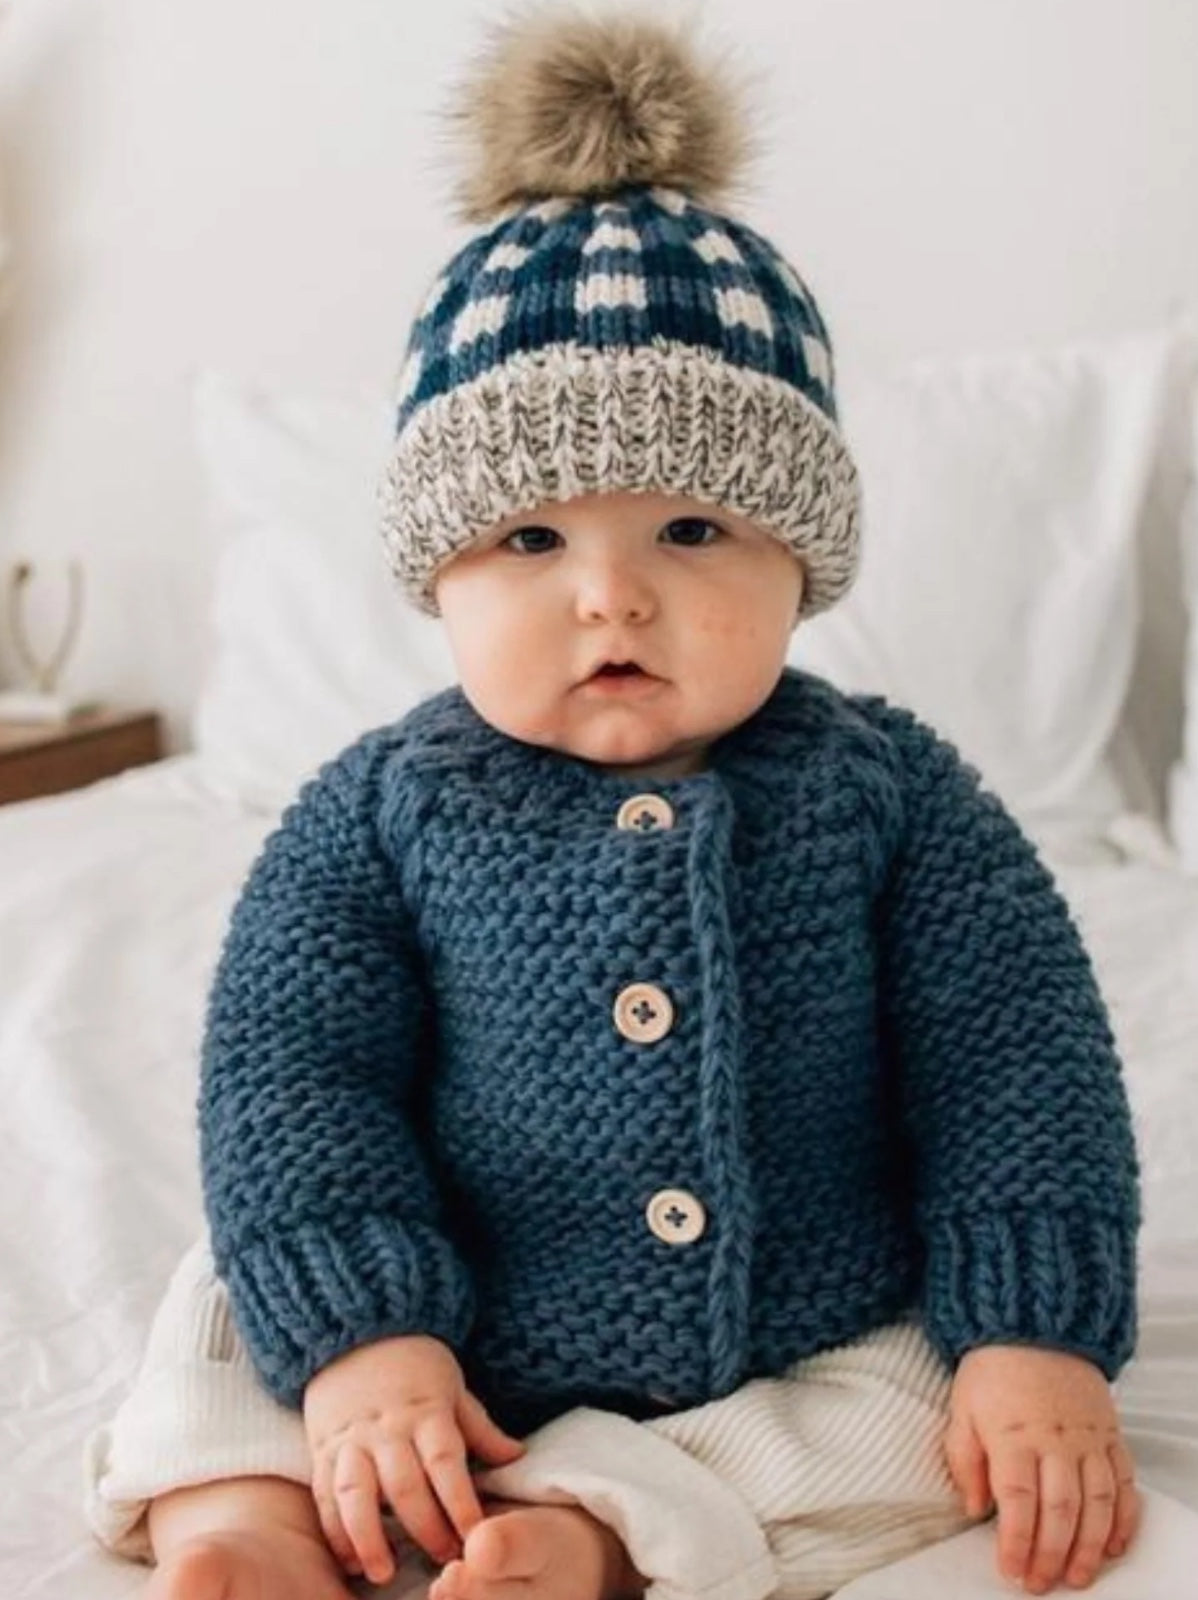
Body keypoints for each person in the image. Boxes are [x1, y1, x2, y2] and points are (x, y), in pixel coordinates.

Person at [83, 7, 1143, 1600]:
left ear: (804, 562)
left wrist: (1028, 1331)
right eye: (530, 544)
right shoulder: (380, 812)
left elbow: (1018, 1059)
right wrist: (367, 1329)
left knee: (921, 1418)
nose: (612, 600)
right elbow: (291, 1076)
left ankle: (586, 1524)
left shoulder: (893, 795)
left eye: (692, 532)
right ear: (435, 578)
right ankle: (245, 1516)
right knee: (228, 1287)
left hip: (795, 1313)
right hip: (444, 1302)